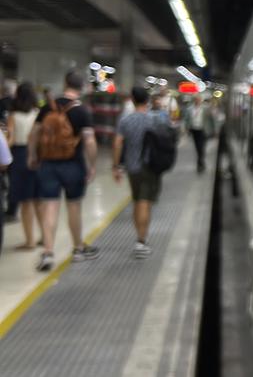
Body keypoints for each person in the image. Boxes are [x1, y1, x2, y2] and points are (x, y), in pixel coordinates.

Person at [27, 70, 99, 271]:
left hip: (48, 164)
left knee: (50, 207)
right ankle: (77, 249)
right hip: (73, 165)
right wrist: (92, 165)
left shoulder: (47, 107)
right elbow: (90, 141)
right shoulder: (82, 111)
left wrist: (32, 156)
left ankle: (48, 253)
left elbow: (34, 134)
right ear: (82, 86)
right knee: (73, 206)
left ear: (65, 83)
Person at [113, 87, 170, 258]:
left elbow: (117, 143)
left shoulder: (124, 120)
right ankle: (141, 242)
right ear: (147, 100)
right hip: (150, 167)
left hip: (132, 168)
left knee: (137, 201)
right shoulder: (155, 120)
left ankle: (139, 238)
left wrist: (116, 166)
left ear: (132, 99)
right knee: (145, 202)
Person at [5, 82, 42, 248]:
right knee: (38, 200)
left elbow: (11, 140)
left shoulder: (13, 115)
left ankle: (30, 241)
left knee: (26, 202)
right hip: (37, 156)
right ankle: (44, 238)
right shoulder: (38, 113)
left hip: (20, 156)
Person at [185, 95, 214, 172]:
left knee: (202, 146)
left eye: (199, 100)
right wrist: (187, 128)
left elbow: (211, 119)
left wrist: (214, 130)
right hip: (194, 129)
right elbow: (187, 119)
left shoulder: (206, 108)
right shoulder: (189, 109)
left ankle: (200, 162)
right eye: (196, 100)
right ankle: (201, 161)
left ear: (201, 100)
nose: (197, 101)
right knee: (197, 146)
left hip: (203, 130)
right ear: (194, 100)